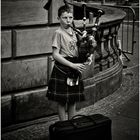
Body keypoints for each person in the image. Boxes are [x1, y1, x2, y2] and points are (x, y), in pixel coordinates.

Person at [46, 5, 92, 121]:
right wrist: (72, 65)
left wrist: (87, 56)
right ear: (58, 18)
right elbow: (55, 54)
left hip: (74, 68)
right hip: (63, 68)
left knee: (73, 100)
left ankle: (72, 126)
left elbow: (78, 49)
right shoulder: (58, 33)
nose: (68, 20)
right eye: (65, 17)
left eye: (70, 17)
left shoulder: (75, 32)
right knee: (62, 101)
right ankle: (63, 126)